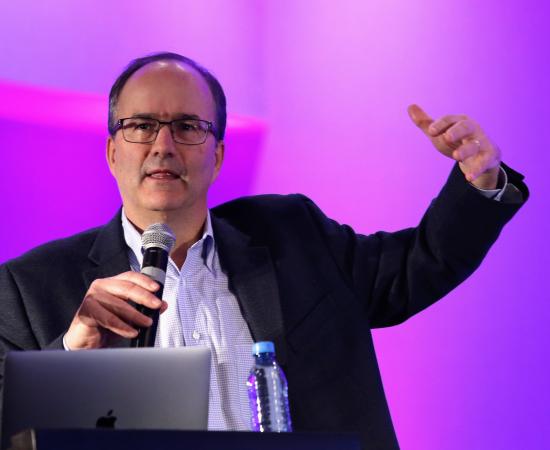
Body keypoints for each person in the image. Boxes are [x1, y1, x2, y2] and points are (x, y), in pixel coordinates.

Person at [0, 52, 528, 449]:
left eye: (188, 127)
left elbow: (415, 268)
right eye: (141, 126)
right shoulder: (33, 287)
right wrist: (71, 353)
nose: (163, 146)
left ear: (218, 155)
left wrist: (478, 183)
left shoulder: (292, 235)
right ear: (113, 152)